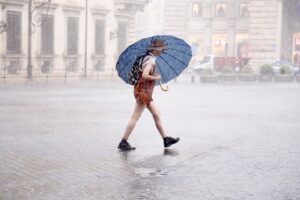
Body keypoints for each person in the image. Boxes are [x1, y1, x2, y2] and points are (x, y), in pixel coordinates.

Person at [118, 39, 180, 151]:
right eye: (162, 49)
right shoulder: (150, 60)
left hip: (143, 90)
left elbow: (144, 73)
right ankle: (123, 141)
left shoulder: (145, 58)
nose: (162, 51)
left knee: (156, 114)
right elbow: (145, 75)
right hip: (143, 92)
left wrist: (153, 75)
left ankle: (166, 139)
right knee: (135, 117)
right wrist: (155, 77)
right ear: (156, 50)